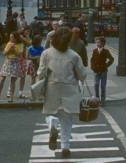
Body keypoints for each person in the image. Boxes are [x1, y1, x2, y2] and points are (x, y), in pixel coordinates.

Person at [38, 27, 88, 159]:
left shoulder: (46, 54)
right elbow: (82, 75)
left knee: (51, 114)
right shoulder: (74, 56)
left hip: (52, 88)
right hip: (69, 90)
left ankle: (52, 123)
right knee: (67, 120)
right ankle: (65, 147)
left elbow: (41, 73)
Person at [0, 32, 25, 102]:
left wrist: (14, 49)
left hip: (16, 63)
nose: (11, 38)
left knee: (13, 81)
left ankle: (11, 97)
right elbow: (4, 53)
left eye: (12, 37)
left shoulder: (20, 44)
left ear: (16, 38)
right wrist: (9, 49)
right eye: (10, 37)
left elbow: (19, 55)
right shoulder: (9, 43)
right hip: (8, 62)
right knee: (2, 78)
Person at [90, 36, 114, 105]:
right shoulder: (94, 50)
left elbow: (111, 59)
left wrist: (106, 65)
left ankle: (103, 101)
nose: (97, 44)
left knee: (103, 86)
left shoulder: (106, 51)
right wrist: (92, 67)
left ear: (103, 44)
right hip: (96, 71)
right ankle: (97, 99)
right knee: (96, 84)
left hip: (103, 71)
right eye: (96, 42)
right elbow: (92, 60)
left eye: (99, 42)